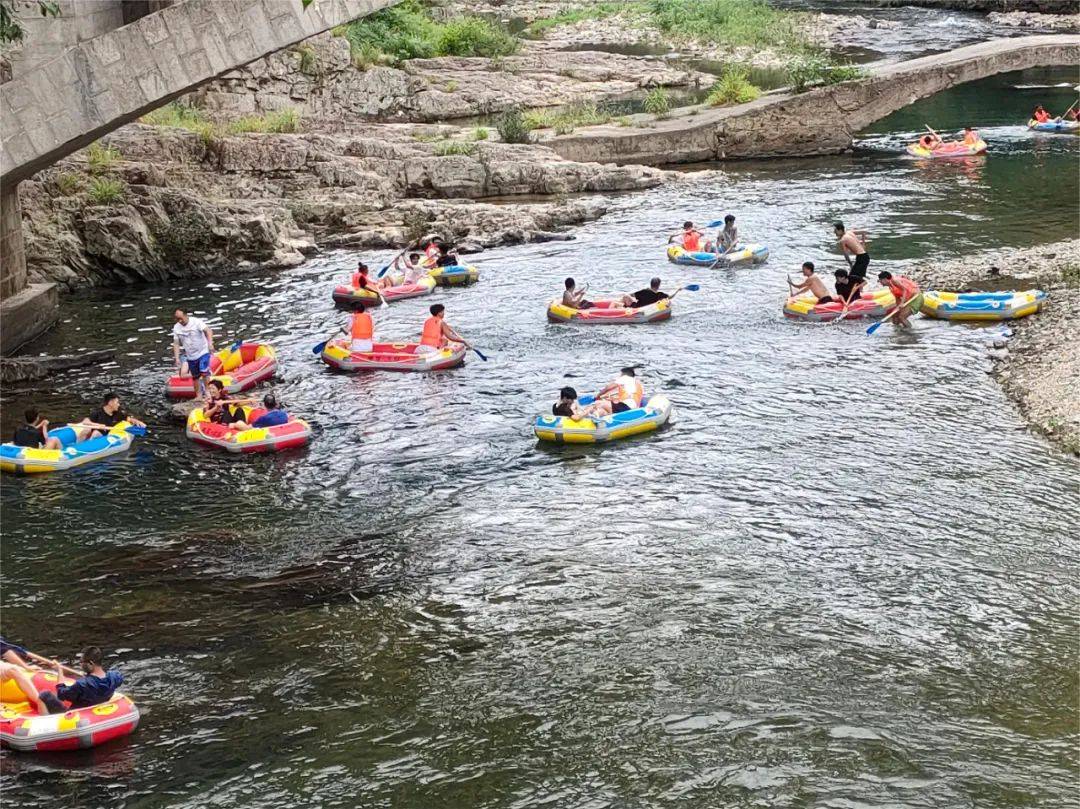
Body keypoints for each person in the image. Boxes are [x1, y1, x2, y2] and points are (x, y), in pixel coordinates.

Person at [47, 647, 123, 710]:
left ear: (91, 663)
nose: (80, 665)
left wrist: (60, 670)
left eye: (81, 662)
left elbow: (61, 694)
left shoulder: (82, 684)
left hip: (80, 715)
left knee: (44, 695)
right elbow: (102, 679)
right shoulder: (114, 677)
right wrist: (88, 676)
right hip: (97, 706)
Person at [172, 309, 215, 400]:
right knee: (195, 376)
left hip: (203, 351)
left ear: (186, 315)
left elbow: (208, 331)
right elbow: (176, 343)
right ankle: (198, 395)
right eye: (177, 319)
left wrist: (210, 343)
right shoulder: (176, 328)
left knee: (204, 372)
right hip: (191, 355)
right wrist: (177, 358)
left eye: (181, 318)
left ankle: (207, 392)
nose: (180, 321)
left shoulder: (196, 322)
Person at [80, 392, 145, 439]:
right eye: (117, 402)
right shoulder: (97, 412)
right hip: (96, 433)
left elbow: (129, 419)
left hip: (106, 437)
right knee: (88, 431)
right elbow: (85, 422)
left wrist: (138, 422)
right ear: (110, 403)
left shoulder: (118, 413)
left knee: (96, 433)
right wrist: (98, 425)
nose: (118, 404)